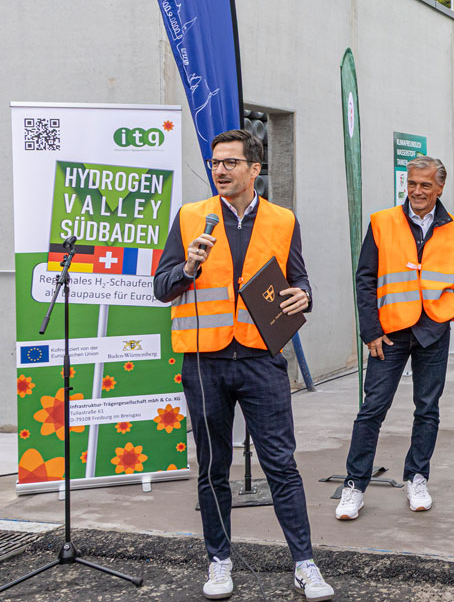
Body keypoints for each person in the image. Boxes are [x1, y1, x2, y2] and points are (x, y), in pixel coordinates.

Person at [153, 129, 333, 601]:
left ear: (255, 170)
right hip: (204, 360)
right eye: (216, 163)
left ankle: (305, 564)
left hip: (260, 358)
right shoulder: (191, 217)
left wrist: (305, 295)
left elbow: (299, 279)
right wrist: (187, 270)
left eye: (231, 162)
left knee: (280, 463)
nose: (220, 170)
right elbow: (161, 286)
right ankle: (219, 561)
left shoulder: (283, 219)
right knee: (214, 467)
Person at [335, 156, 454, 521]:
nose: (417, 191)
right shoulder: (382, 222)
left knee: (427, 410)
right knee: (372, 410)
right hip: (390, 334)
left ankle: (416, 477)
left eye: (425, 185)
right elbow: (365, 279)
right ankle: (354, 485)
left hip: (433, 333)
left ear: (440, 188)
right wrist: (371, 331)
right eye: (412, 184)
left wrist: (453, 310)